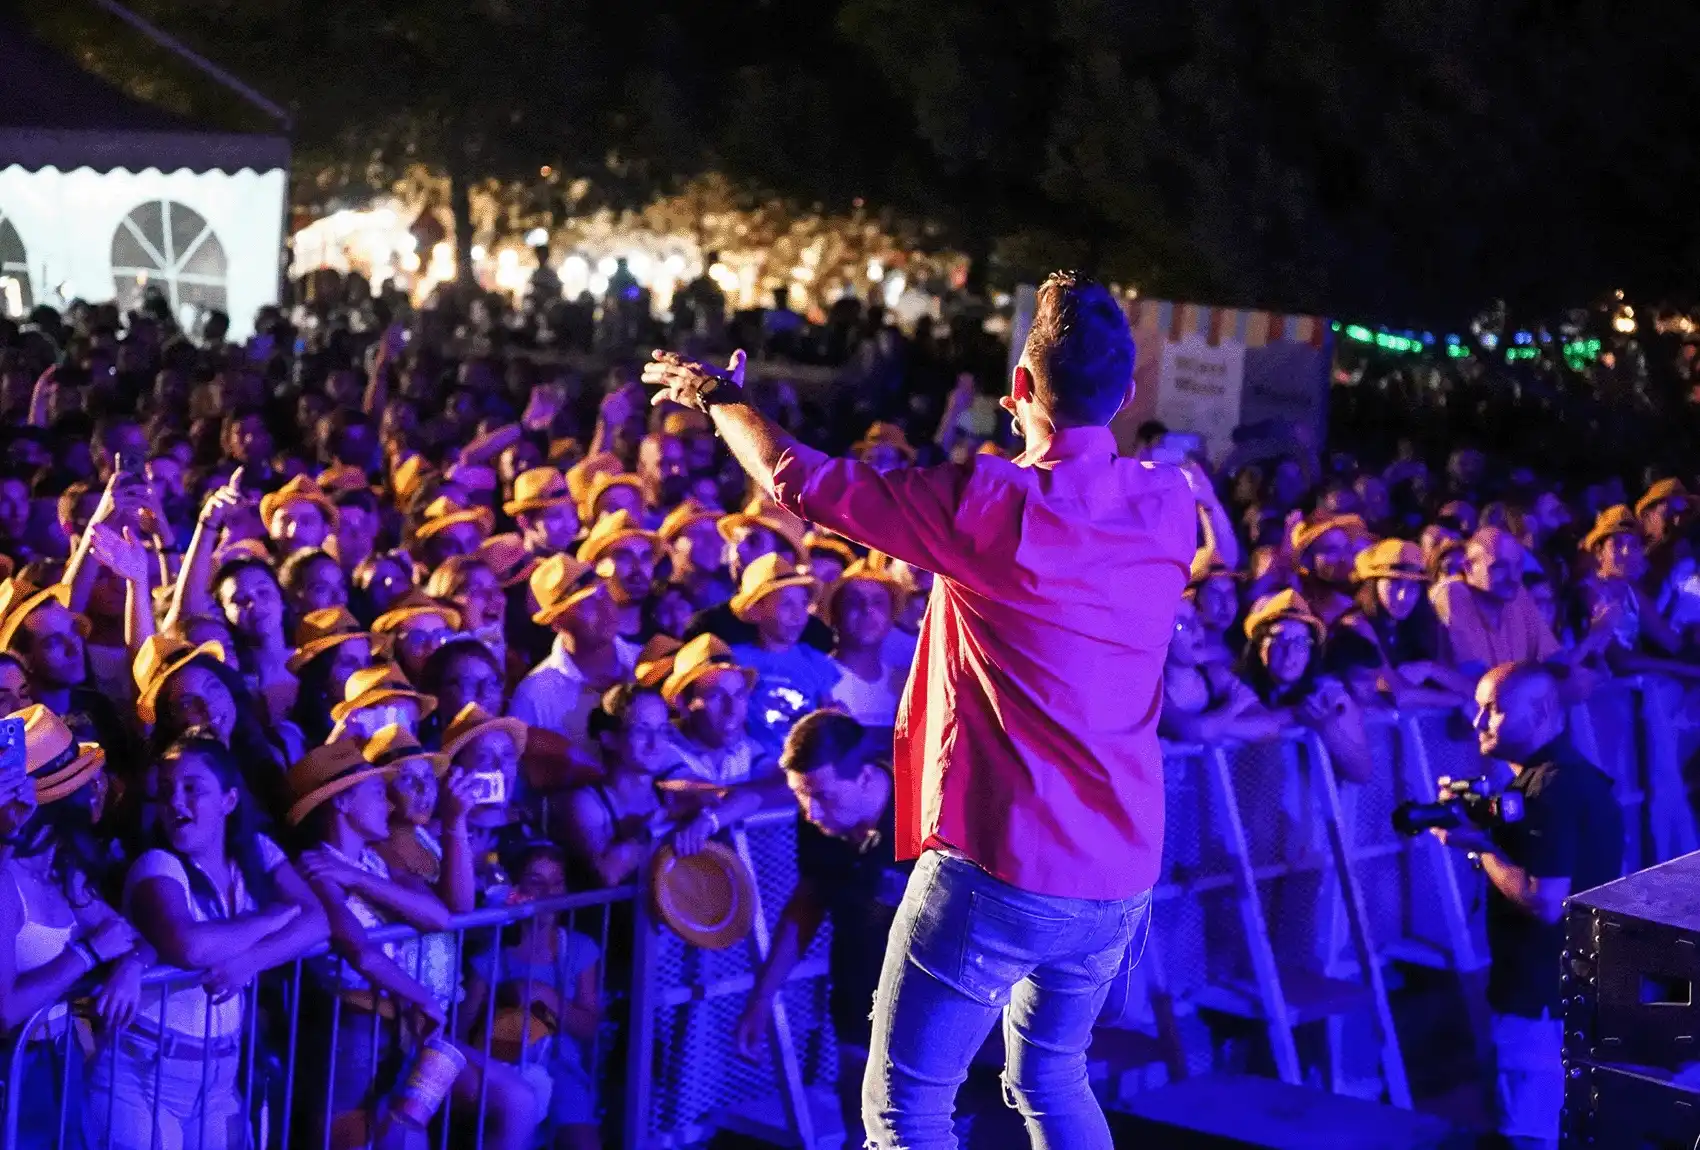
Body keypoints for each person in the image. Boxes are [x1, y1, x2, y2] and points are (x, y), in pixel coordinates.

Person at [645, 270, 1194, 1148]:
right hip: (1121, 868)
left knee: (905, 1110)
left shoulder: (989, 503)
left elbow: (800, 478)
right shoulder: (1170, 506)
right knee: (1052, 1078)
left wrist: (719, 398)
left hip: (1003, 862)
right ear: (1128, 395)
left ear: (1017, 391)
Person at [92, 734, 327, 1150]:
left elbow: (317, 920)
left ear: (229, 800)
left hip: (219, 1077)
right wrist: (269, 919)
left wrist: (250, 961)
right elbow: (190, 946)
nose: (176, 803)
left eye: (191, 789)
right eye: (166, 793)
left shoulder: (255, 854)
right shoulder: (157, 864)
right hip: (145, 1075)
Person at [1430, 663, 1624, 1150]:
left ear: (1540, 712)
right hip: (1576, 994)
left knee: (1526, 1134)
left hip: (1539, 1004)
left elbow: (1544, 900)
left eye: (1493, 710)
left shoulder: (1549, 789)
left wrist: (1480, 847)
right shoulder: (1576, 778)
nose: (1477, 723)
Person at [735, 711, 919, 1141]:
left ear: (865, 778)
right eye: (800, 796)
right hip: (858, 997)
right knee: (860, 1122)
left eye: (823, 796)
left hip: (926, 1007)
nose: (811, 811)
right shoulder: (819, 818)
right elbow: (807, 904)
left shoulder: (923, 811)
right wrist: (760, 999)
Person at [0, 706, 149, 1150]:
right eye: (86, 782)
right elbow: (4, 1012)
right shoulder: (6, 882)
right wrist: (85, 955)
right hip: (14, 1069)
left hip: (58, 1057)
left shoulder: (64, 870)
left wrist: (133, 966)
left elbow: (127, 936)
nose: (97, 789)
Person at [464, 843, 603, 1150]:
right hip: (508, 1069)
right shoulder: (491, 957)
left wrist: (544, 997)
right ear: (513, 886)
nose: (549, 893)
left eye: (557, 883)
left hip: (565, 1068)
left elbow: (590, 1026)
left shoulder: (579, 948)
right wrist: (504, 1006)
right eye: (536, 882)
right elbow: (463, 1034)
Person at [728, 553, 841, 756]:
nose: (798, 614)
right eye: (787, 604)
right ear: (756, 610)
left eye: (803, 604)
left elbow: (827, 709)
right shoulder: (735, 660)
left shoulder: (816, 661)